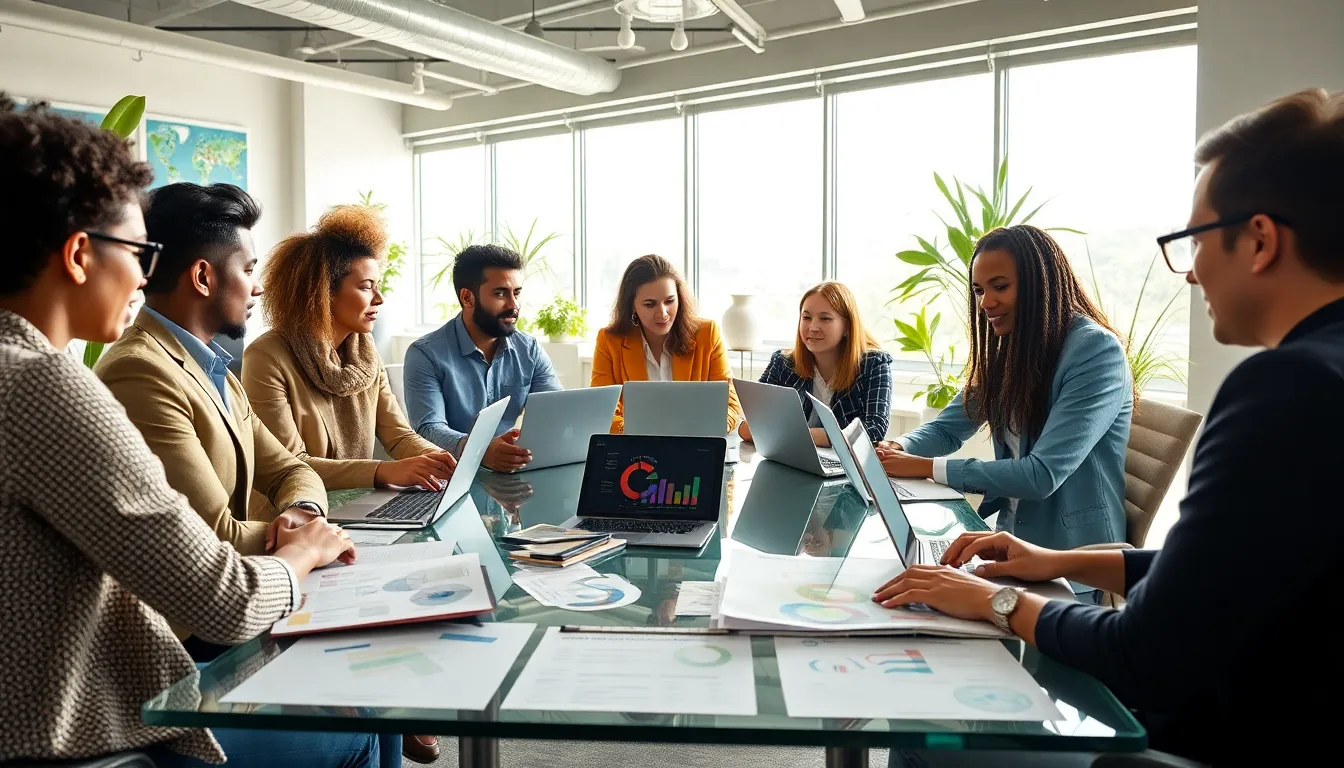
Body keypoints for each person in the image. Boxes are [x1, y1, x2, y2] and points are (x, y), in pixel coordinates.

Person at [874, 88, 1344, 767]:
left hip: (1190, 740)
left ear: (1260, 240)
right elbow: (1227, 567)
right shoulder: (1321, 376)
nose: (1191, 272)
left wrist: (995, 601)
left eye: (1194, 241)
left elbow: (1142, 653)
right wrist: (1054, 562)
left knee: (921, 733)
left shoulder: (1287, 387)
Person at [0, 96, 386, 767]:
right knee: (362, 723)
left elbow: (284, 467)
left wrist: (300, 517)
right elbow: (223, 601)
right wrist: (302, 552)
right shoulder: (44, 385)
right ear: (79, 255)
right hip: (80, 732)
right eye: (138, 252)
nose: (144, 274)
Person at [240, 205, 454, 764]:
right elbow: (289, 463)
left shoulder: (364, 352)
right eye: (366, 287)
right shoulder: (267, 357)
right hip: (297, 522)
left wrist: (441, 459)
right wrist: (383, 471)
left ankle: (391, 704)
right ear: (322, 293)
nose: (378, 299)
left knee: (431, 570)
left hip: (362, 512)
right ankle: (386, 709)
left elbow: (398, 434)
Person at [94, 183, 329, 654]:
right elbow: (212, 536)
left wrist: (303, 513)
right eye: (248, 269)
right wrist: (309, 543)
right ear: (203, 277)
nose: (258, 286)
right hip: (187, 637)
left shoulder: (215, 368)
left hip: (244, 600)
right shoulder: (139, 371)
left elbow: (290, 470)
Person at [878, 225, 1131, 553]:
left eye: (1000, 287)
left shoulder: (1096, 351)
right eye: (979, 290)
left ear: (1040, 284)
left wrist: (924, 467)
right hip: (1009, 537)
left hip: (1071, 556)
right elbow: (947, 428)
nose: (985, 302)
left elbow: (1041, 475)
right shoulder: (1011, 349)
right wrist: (897, 447)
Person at [404, 244, 562, 472]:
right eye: (500, 293)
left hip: (511, 474)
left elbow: (556, 412)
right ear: (467, 298)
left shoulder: (529, 350)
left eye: (516, 293)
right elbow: (428, 429)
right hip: (449, 476)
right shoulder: (425, 354)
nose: (514, 305)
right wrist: (478, 450)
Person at [591, 254, 743, 434]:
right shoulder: (609, 340)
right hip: (637, 445)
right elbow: (601, 411)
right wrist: (640, 433)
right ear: (632, 306)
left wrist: (699, 429)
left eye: (669, 301)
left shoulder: (707, 333)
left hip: (695, 441)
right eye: (650, 304)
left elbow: (730, 405)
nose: (662, 313)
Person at [739, 281, 892, 446]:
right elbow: (748, 425)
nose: (813, 327)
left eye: (825, 318)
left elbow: (874, 430)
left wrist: (796, 435)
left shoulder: (874, 364)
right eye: (806, 317)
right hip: (790, 458)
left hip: (842, 462)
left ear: (847, 326)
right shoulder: (782, 363)